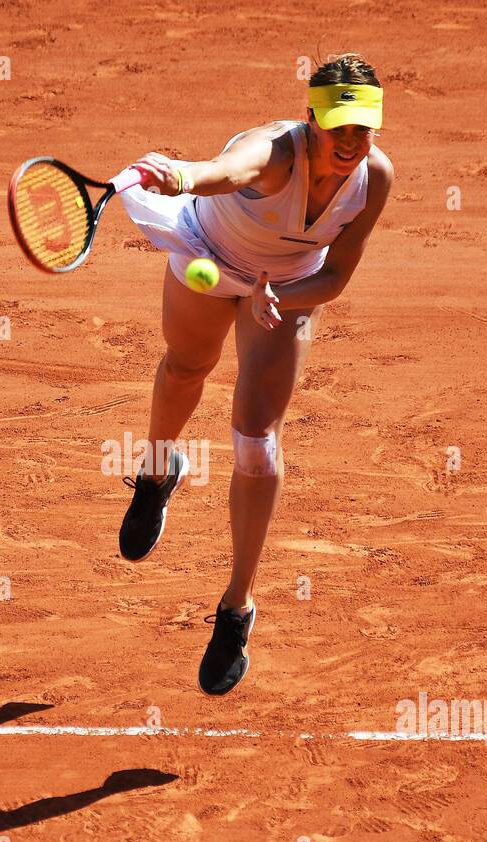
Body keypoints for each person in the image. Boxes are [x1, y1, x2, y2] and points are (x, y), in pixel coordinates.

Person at [116, 53, 393, 696]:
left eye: (364, 128)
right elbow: (221, 171)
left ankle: (236, 608)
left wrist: (281, 298)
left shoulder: (375, 179)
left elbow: (338, 276)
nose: (351, 142)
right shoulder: (271, 153)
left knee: (256, 444)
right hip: (210, 254)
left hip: (289, 287)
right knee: (188, 368)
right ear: (310, 118)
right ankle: (158, 472)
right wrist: (179, 174)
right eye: (338, 127)